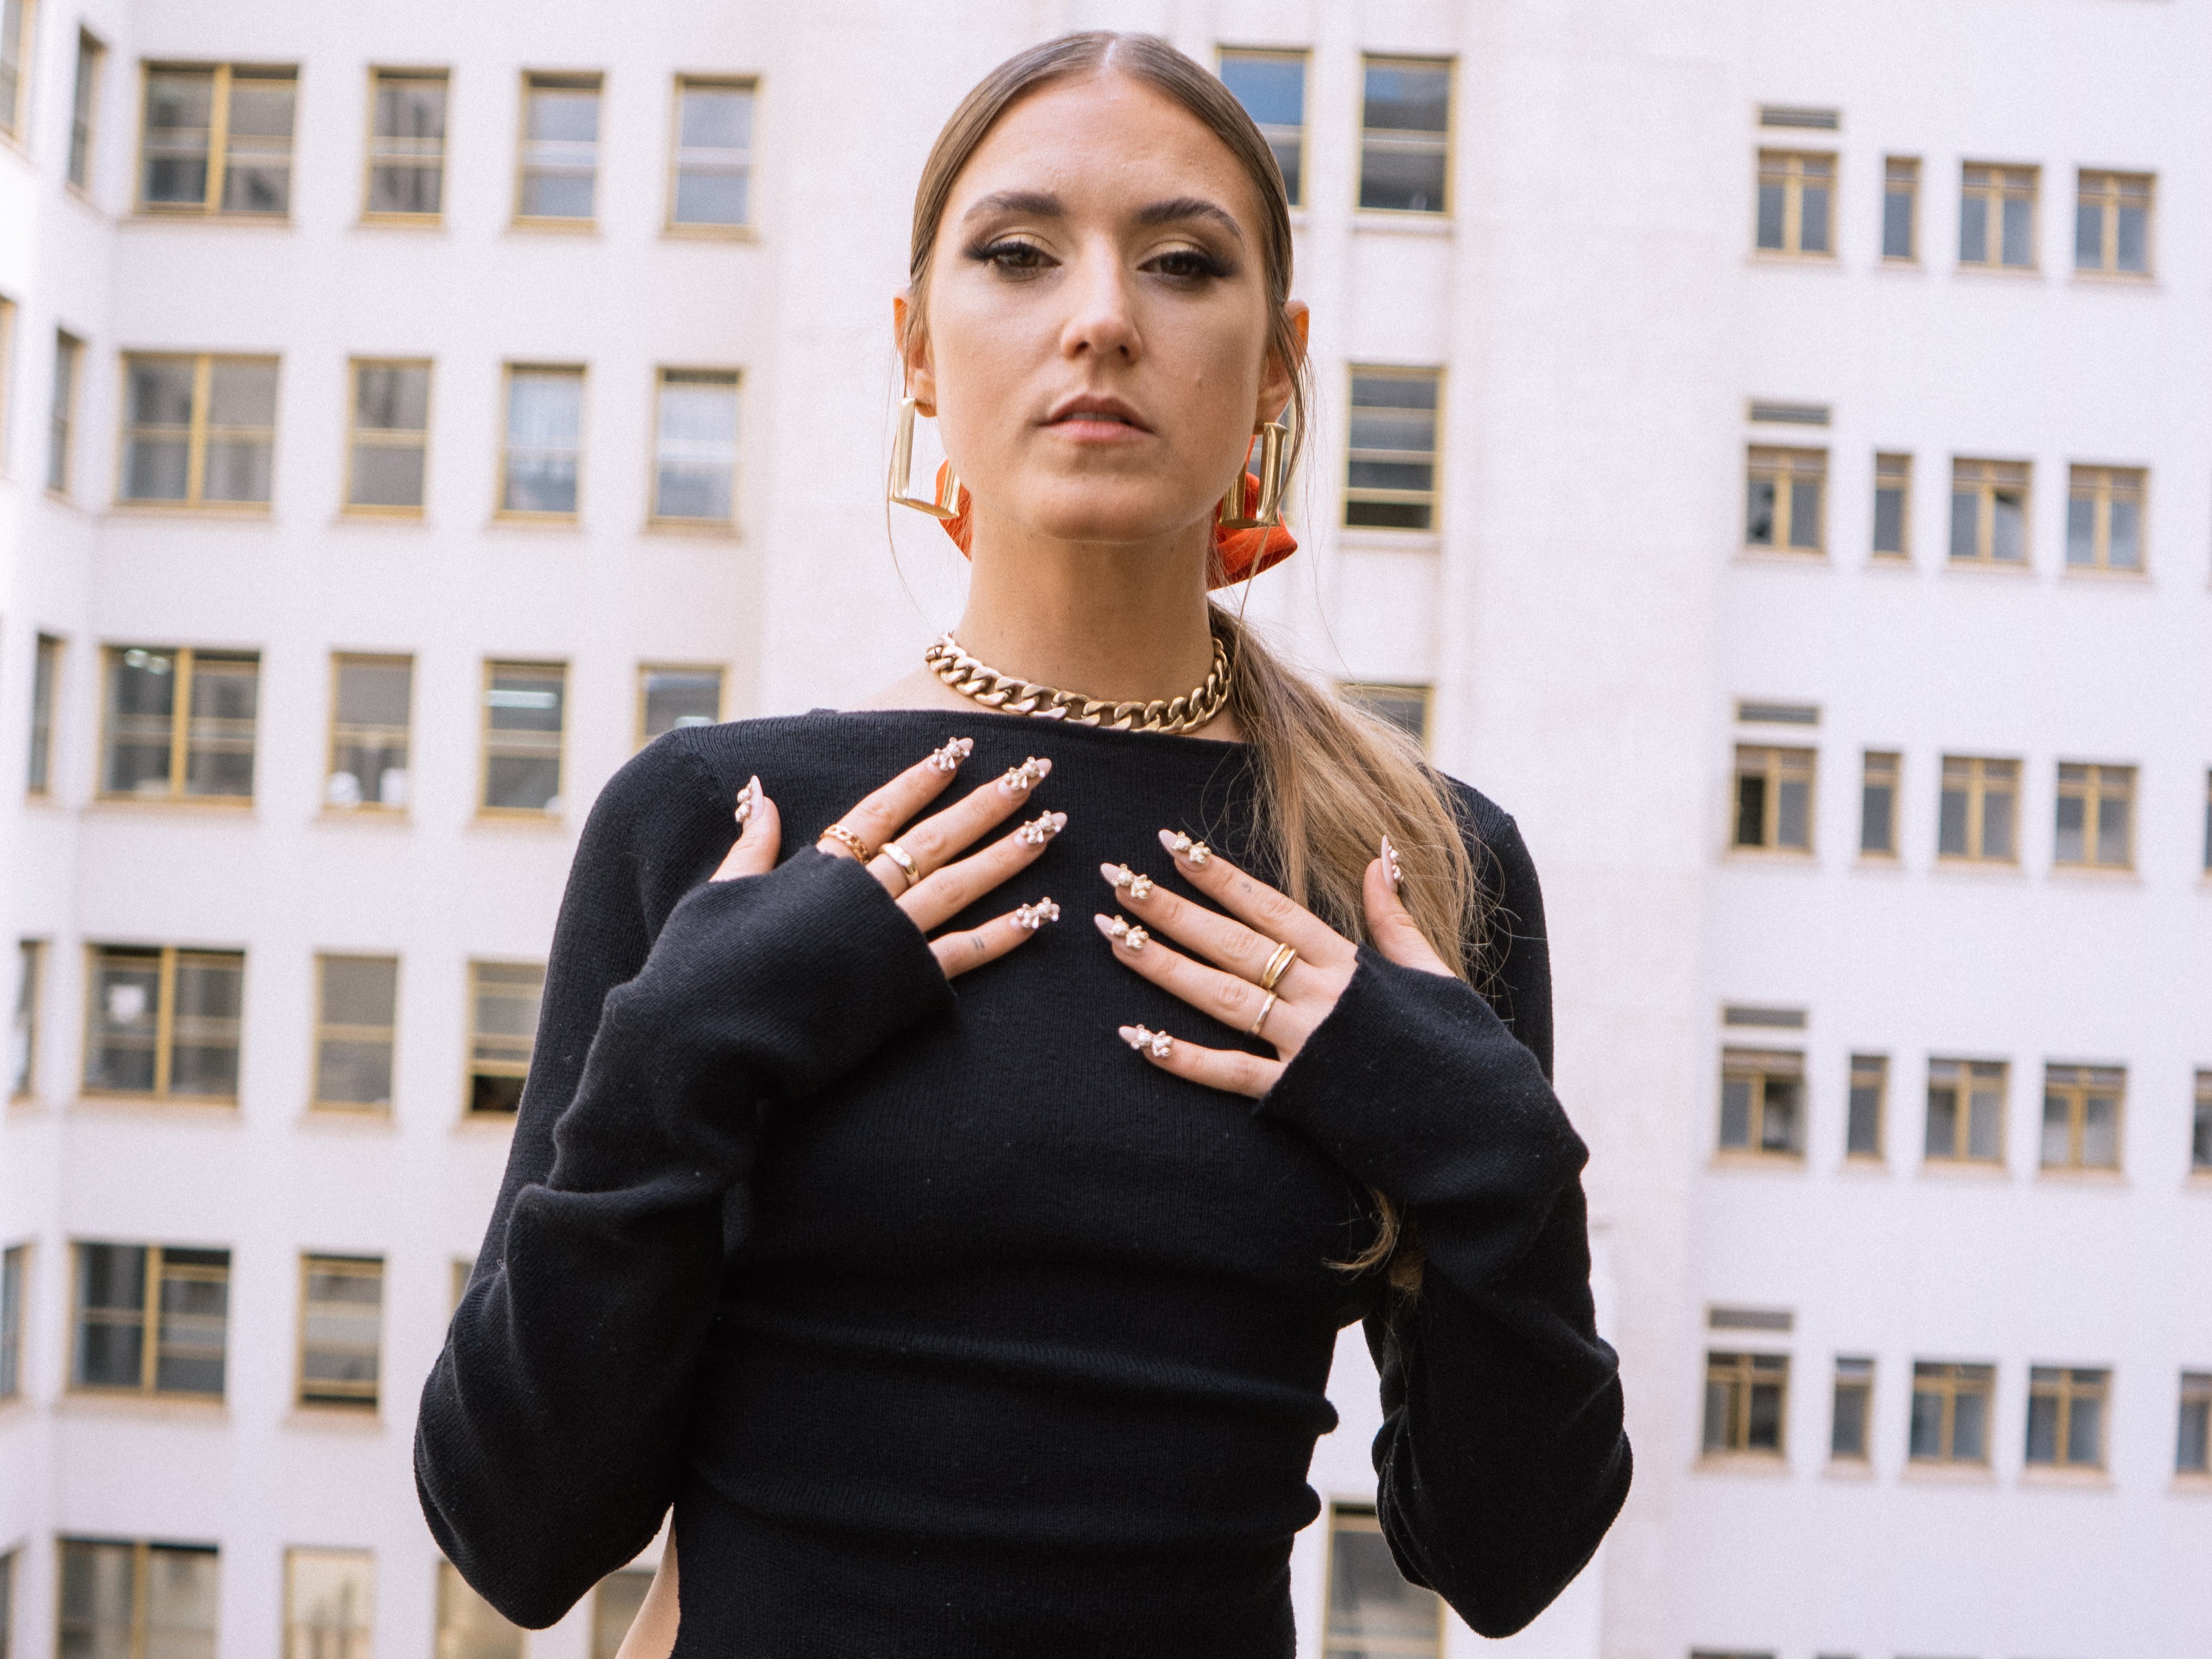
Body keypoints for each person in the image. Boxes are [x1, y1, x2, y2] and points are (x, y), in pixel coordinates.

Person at [415, 30, 1629, 1658]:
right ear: (918, 350)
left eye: (1184, 263)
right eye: (1017, 254)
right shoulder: (715, 825)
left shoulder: (1415, 866)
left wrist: (1498, 1161)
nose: (1103, 317)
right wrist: (683, 1057)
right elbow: (515, 1528)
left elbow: (1507, 1557)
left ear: (1279, 366)